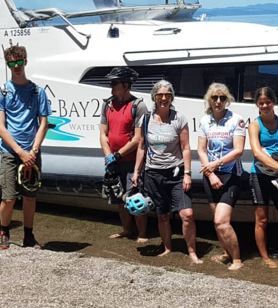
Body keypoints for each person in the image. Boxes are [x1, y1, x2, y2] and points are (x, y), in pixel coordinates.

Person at [131, 80, 201, 264]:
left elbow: (185, 148)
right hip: (153, 174)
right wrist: (137, 172)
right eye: (160, 95)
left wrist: (187, 173)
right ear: (154, 97)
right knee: (162, 215)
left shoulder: (179, 118)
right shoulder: (145, 119)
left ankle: (192, 252)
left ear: (171, 97)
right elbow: (141, 147)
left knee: (187, 214)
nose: (164, 98)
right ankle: (167, 247)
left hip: (176, 173)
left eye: (167, 95)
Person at [0, 45, 50, 249]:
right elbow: (1, 127)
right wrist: (20, 152)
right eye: (12, 63)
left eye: (19, 62)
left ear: (25, 62)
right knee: (8, 198)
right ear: (8, 65)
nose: (16, 66)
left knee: (29, 197)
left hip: (32, 152)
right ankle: (5, 232)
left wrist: (33, 151)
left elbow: (43, 123)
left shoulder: (37, 91)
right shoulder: (2, 92)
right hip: (11, 151)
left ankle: (28, 235)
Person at [196, 83, 246, 271]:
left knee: (221, 221)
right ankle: (226, 253)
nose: (218, 101)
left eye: (222, 98)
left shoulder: (236, 120)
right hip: (210, 175)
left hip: (230, 174)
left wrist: (215, 165)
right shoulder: (204, 121)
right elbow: (201, 150)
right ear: (209, 99)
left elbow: (238, 150)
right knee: (216, 220)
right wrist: (210, 174)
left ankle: (237, 259)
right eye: (214, 97)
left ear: (227, 100)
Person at [247, 87, 278, 268]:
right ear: (257, 105)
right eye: (261, 103)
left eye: (268, 102)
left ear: (274, 102)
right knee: (262, 220)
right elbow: (257, 152)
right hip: (259, 176)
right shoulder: (254, 125)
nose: (265, 106)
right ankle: (266, 258)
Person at [99, 66, 149, 241]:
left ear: (126, 85)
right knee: (119, 198)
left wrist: (117, 155)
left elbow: (137, 139)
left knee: (135, 198)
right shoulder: (107, 104)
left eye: (114, 83)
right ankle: (126, 230)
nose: (111, 86)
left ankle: (142, 234)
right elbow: (103, 134)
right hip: (114, 161)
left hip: (131, 161)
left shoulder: (138, 106)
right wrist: (109, 157)